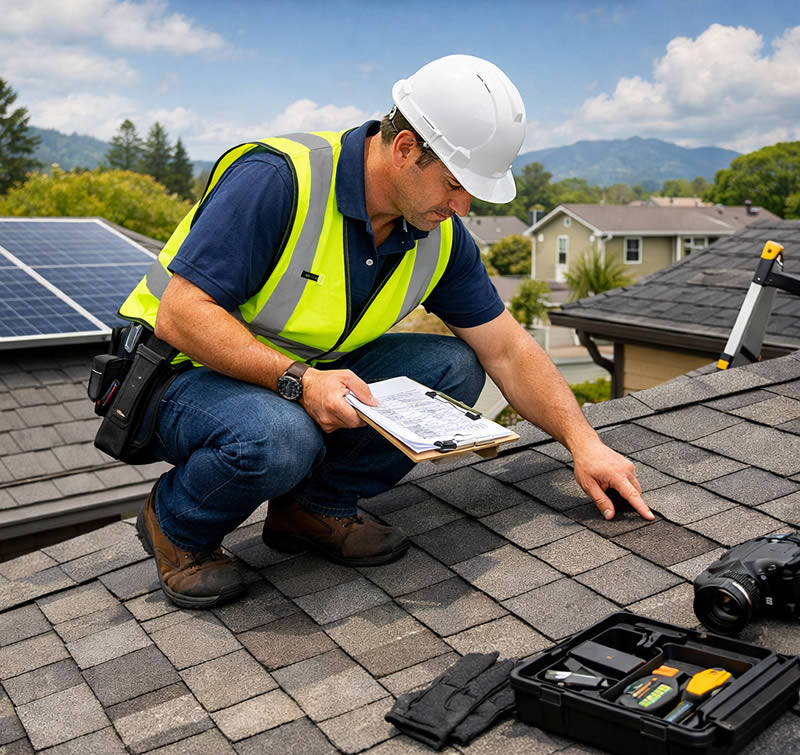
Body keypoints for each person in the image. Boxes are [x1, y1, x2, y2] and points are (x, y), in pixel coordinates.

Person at [118, 54, 653, 610]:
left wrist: (584, 444)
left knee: (454, 367)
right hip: (174, 372)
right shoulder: (279, 180)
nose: (462, 206)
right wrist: (300, 381)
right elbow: (180, 314)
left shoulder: (437, 234)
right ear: (404, 150)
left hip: (298, 372)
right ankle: (179, 529)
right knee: (280, 436)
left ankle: (311, 510)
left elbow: (509, 351)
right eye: (454, 184)